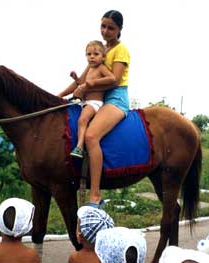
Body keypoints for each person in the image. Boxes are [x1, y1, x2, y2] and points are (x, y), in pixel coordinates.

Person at [62, 10, 130, 208]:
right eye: (103, 26)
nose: (106, 31)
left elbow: (114, 81)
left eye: (111, 28)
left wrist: (87, 87)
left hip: (115, 97)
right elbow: (82, 81)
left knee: (91, 136)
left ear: (119, 30)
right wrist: (56, 97)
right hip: (97, 97)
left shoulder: (121, 49)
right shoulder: (99, 50)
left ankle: (94, 194)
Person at [58, 40, 115, 158]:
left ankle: (79, 147)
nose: (92, 57)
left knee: (82, 119)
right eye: (89, 54)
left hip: (94, 103)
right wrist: (76, 78)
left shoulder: (101, 68)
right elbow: (80, 83)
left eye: (96, 54)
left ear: (103, 57)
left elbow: (112, 78)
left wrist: (93, 82)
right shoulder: (89, 68)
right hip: (84, 101)